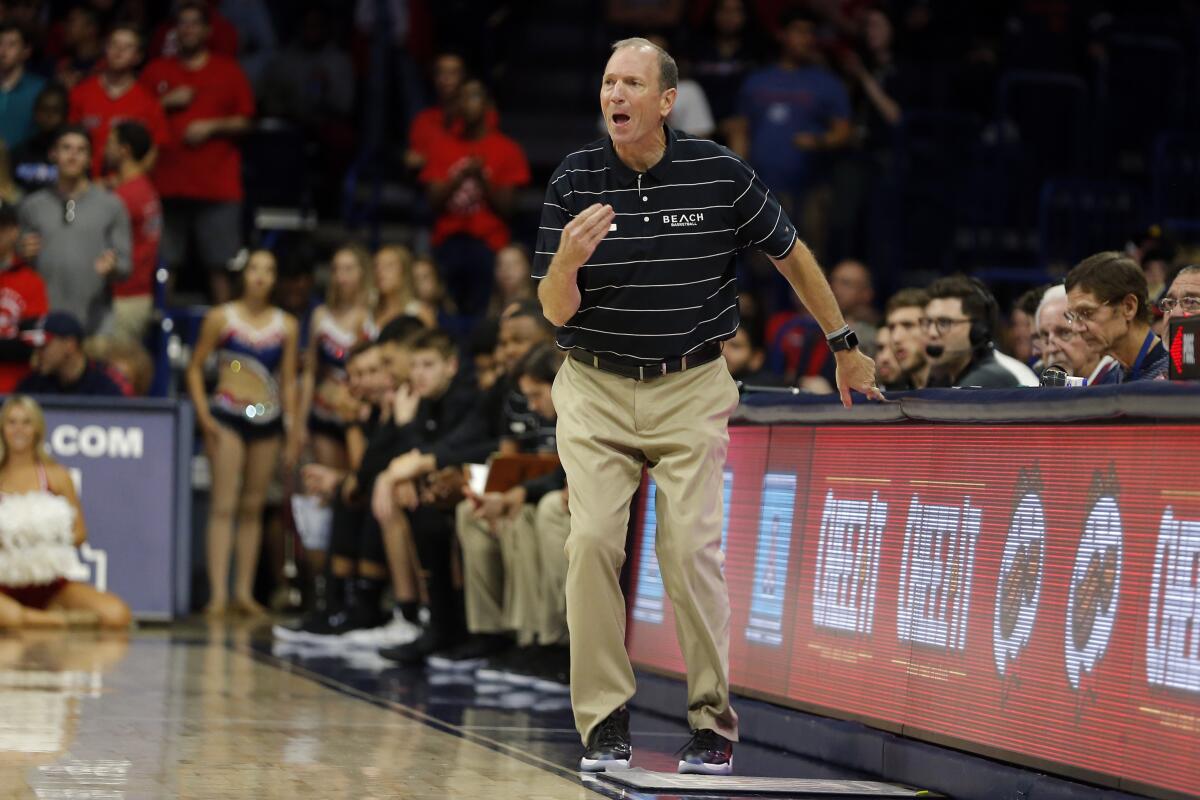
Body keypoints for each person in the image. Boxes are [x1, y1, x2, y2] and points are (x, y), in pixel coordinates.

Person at [534, 38, 878, 775]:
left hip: (690, 383)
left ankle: (711, 723)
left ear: (665, 101)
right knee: (592, 541)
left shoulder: (718, 171)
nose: (614, 95)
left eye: (630, 83)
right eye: (606, 82)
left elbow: (792, 255)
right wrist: (566, 260)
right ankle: (603, 723)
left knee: (689, 553)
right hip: (594, 384)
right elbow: (556, 313)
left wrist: (844, 343)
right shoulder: (575, 177)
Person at [185, 249, 299, 618]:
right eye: (255, 269)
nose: (261, 276)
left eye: (269, 270)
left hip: (267, 418)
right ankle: (218, 594)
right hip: (228, 415)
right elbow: (195, 367)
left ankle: (244, 593)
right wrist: (204, 415)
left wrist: (292, 425)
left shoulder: (286, 325)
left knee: (253, 506)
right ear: (243, 274)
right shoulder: (221, 318)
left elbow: (289, 378)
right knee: (223, 505)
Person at [142, 0, 255, 303]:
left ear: (207, 30)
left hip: (216, 189)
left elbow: (248, 122)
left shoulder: (228, 71)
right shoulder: (157, 71)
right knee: (164, 267)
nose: (188, 29)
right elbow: (134, 119)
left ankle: (231, 339)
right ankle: (157, 338)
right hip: (166, 186)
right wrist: (163, 104)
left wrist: (212, 126)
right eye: (183, 23)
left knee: (222, 267)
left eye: (194, 23)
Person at [0, 395, 132, 629]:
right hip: (3, 584)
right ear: (2, 428)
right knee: (9, 616)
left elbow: (80, 533)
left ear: (37, 429)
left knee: (116, 614)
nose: (18, 429)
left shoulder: (57, 476)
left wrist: (40, 539)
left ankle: (33, 621)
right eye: (12, 422)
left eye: (26, 422)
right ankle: (55, 622)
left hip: (50, 582)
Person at [727, 9, 850, 257]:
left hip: (811, 186)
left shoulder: (827, 83)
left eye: (810, 33)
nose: (806, 39)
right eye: (799, 32)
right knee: (762, 258)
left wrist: (819, 141)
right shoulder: (757, 81)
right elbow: (741, 129)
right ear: (782, 35)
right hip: (762, 186)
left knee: (810, 256)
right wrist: (738, 174)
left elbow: (844, 131)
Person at [421, 78, 530, 317]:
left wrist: (481, 178)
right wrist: (458, 178)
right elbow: (432, 203)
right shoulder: (442, 146)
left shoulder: (507, 150)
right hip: (448, 240)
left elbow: (508, 208)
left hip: (489, 242)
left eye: (474, 96)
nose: (467, 104)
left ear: (488, 104)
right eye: (462, 97)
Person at [18, 125, 131, 335]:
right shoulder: (32, 205)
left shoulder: (111, 205)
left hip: (94, 320)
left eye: (81, 150)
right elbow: (14, 260)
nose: (73, 156)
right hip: (43, 318)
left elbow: (125, 266)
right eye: (66, 148)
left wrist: (113, 267)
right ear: (53, 154)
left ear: (89, 158)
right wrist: (22, 253)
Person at [297, 244, 373, 472]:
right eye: (336, 269)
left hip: (361, 415)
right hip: (325, 410)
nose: (341, 277)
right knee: (325, 486)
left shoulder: (373, 315)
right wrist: (299, 423)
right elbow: (310, 371)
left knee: (355, 487)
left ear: (363, 272)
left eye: (348, 269)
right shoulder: (320, 315)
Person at [70, 23, 170, 181]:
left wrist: (122, 181)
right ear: (106, 49)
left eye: (127, 47)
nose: (119, 51)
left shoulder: (149, 102)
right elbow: (66, 141)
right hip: (83, 187)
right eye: (114, 44)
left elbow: (153, 153)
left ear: (138, 56)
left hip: (125, 191)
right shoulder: (80, 93)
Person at [1065, 251, 1169, 383]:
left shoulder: (1176, 377)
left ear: (1128, 307)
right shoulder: (1108, 380)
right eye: (1072, 316)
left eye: (1087, 312)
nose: (1076, 328)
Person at [105, 121, 162, 344]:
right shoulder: (145, 188)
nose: (105, 150)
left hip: (122, 298)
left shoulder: (123, 197)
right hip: (138, 294)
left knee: (114, 375)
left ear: (124, 150)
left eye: (110, 143)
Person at [924, 276, 1034, 389]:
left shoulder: (988, 378)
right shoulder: (945, 377)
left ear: (978, 330)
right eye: (927, 322)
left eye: (944, 323)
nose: (932, 333)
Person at [16, 311, 124, 396]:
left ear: (70, 345)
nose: (38, 353)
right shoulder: (34, 384)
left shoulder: (106, 383)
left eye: (44, 346)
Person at [0, 199, 46, 392]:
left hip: (15, 390)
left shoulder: (30, 281)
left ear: (14, 231)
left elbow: (31, 344)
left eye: (1, 227)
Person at [1034, 284, 1115, 385]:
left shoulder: (1119, 385)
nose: (1051, 349)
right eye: (1045, 335)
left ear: (1092, 336)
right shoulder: (1032, 385)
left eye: (1064, 333)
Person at [10, 83, 67, 193]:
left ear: (65, 114)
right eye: (44, 109)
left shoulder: (72, 153)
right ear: (35, 112)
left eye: (55, 110)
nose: (49, 115)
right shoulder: (19, 152)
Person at [0, 21, 46, 152]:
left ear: (26, 51)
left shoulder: (40, 89)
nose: (3, 51)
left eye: (11, 44)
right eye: (0, 43)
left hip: (25, 165)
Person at [882, 288, 929, 390]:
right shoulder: (890, 395)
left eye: (908, 325)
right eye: (891, 328)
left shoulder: (960, 391)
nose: (896, 338)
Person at [371, 244, 423, 331]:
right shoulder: (368, 310)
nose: (380, 271)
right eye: (376, 266)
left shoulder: (418, 313)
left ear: (404, 272)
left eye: (388, 265)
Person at [52, 5, 103, 90]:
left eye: (71, 22)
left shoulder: (105, 67)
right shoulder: (63, 65)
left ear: (90, 29)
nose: (66, 27)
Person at [484, 244, 535, 321]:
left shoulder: (541, 308)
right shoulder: (492, 309)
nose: (505, 269)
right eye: (500, 264)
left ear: (528, 268)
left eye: (514, 263)